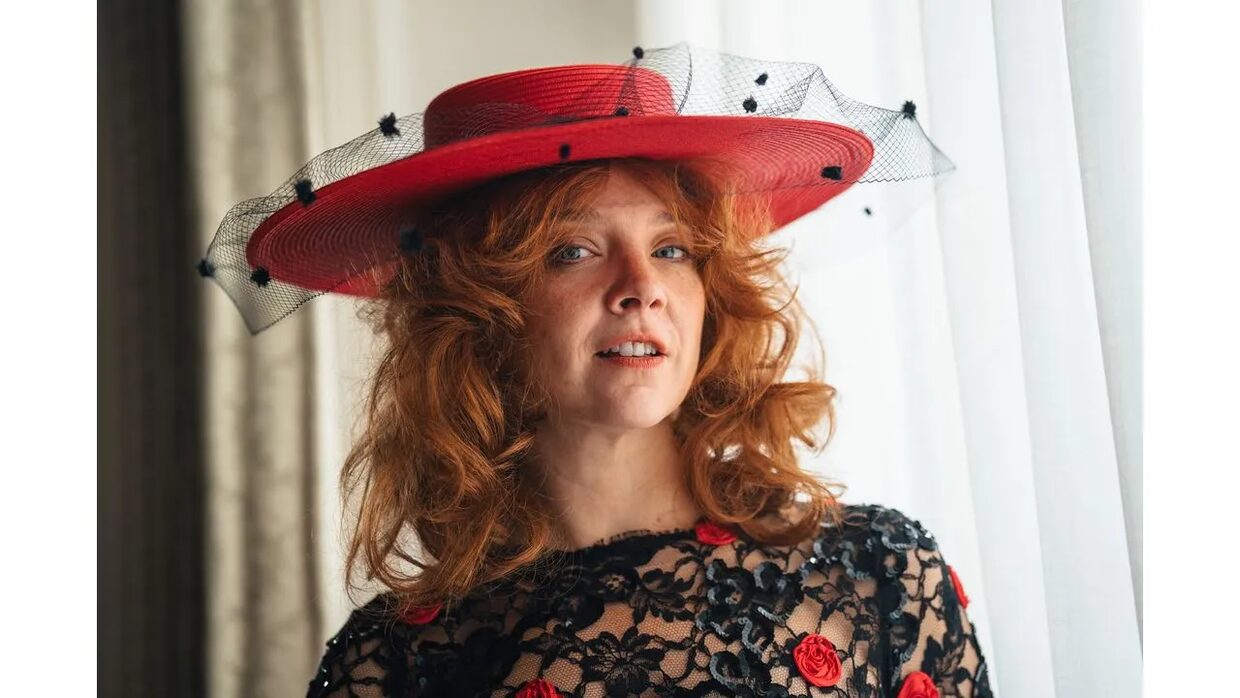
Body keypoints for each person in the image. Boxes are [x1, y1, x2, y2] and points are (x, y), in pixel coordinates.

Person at [198, 44, 989, 697]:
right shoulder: (396, 664)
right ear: (478, 314)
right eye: (572, 251)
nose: (641, 287)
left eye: (671, 248)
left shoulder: (882, 575)